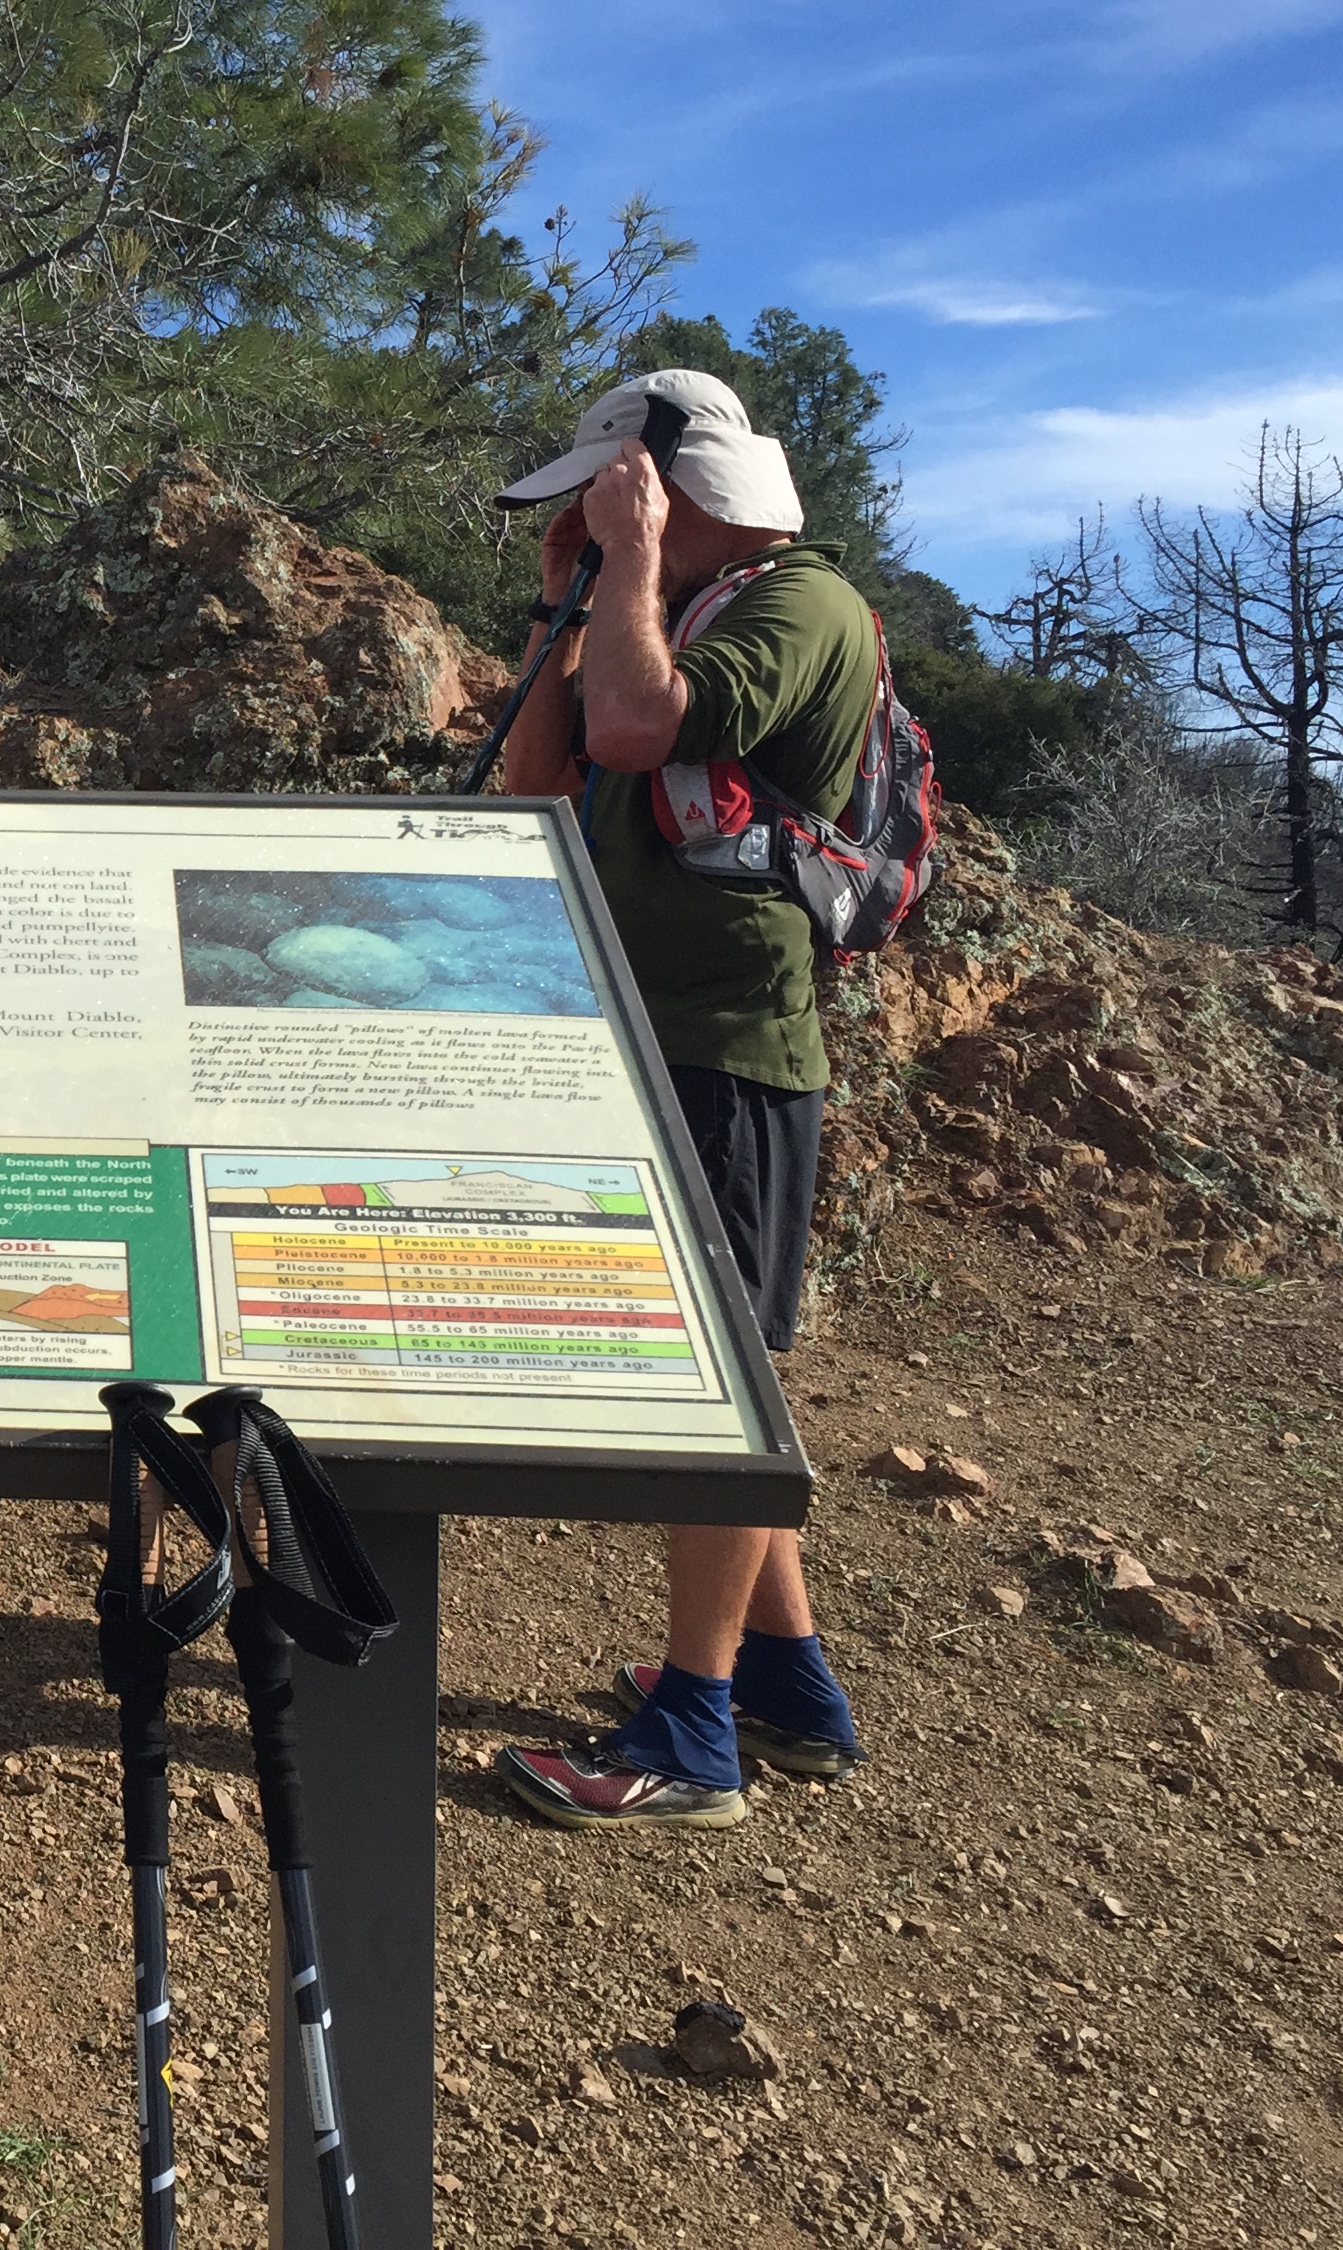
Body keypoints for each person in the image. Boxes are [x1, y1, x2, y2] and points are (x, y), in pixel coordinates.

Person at [485, 369, 876, 1830]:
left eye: (605, 493)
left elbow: (642, 729)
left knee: (716, 1387)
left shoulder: (800, 604)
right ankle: (788, 1688)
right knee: (723, 1373)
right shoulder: (656, 603)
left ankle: (693, 1735)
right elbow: (539, 787)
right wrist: (564, 604)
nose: (588, 517)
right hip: (641, 1033)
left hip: (724, 1046)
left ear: (667, 484)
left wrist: (633, 560)